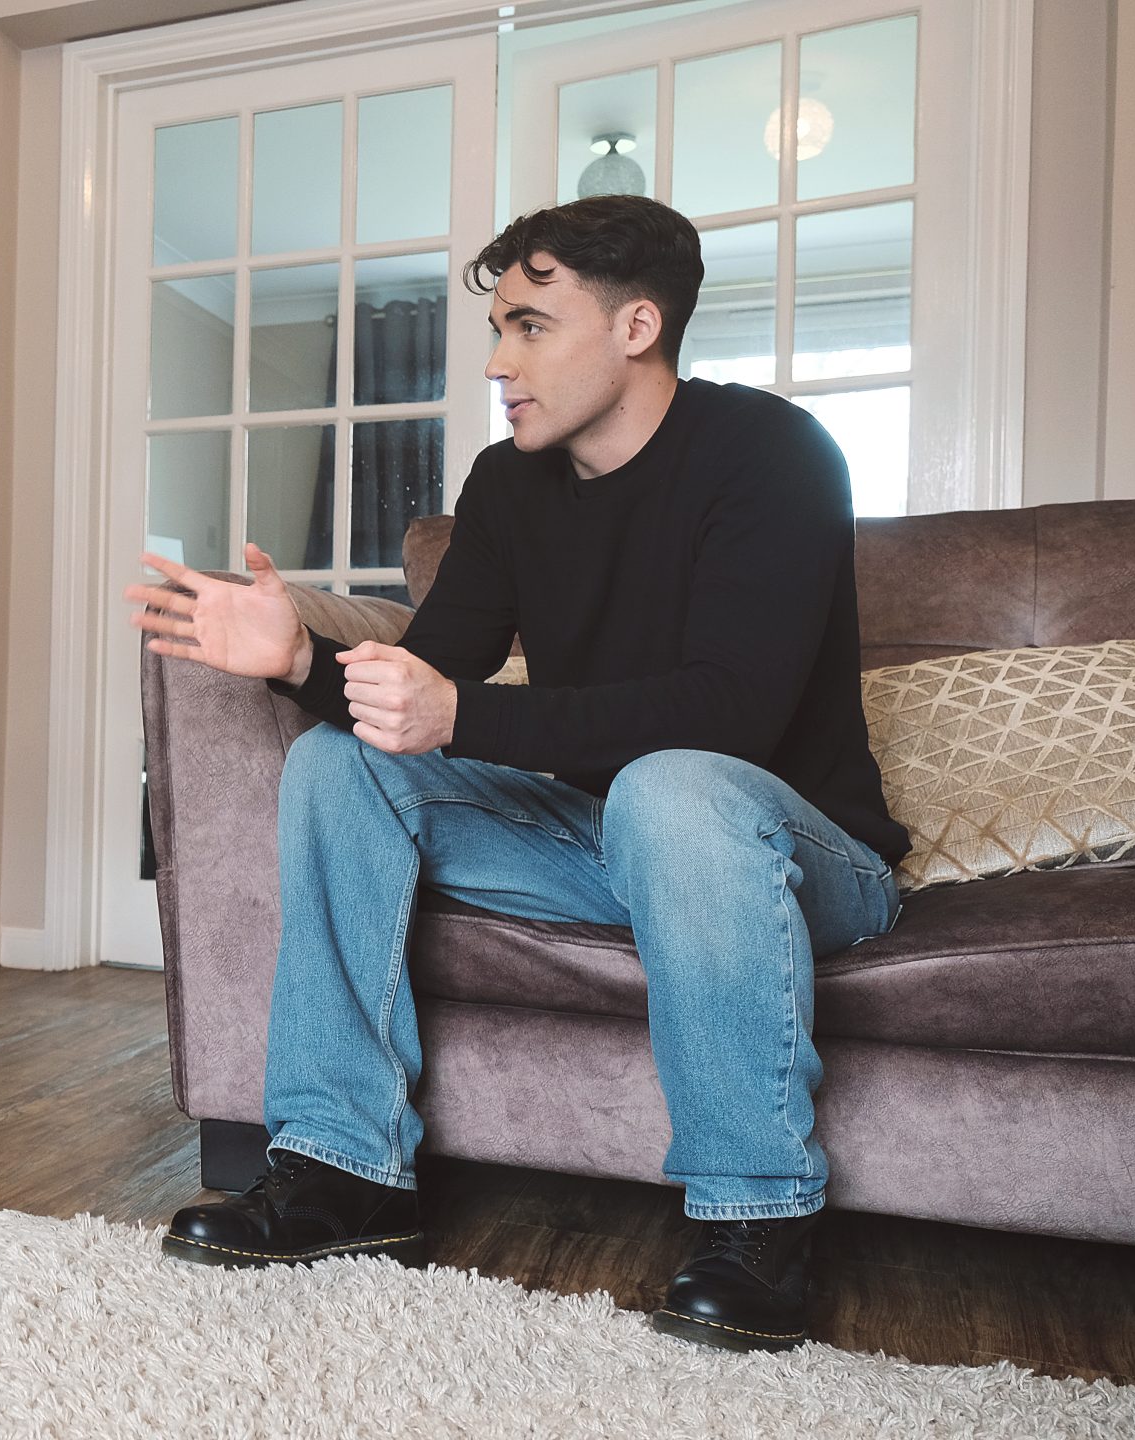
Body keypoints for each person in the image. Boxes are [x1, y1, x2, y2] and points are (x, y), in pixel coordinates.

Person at [128, 194, 907, 1353]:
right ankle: (345, 1172)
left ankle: (756, 1218)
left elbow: (731, 709)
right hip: (604, 845)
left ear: (636, 327)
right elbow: (429, 686)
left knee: (672, 784)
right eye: (497, 327)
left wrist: (459, 712)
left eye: (530, 326)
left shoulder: (770, 452)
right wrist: (302, 656)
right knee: (342, 769)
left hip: (795, 859)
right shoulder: (506, 485)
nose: (498, 361)